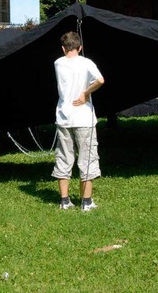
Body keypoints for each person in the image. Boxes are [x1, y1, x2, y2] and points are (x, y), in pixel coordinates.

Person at [52, 31, 105, 211]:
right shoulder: (86, 62)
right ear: (80, 47)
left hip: (64, 117)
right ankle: (86, 202)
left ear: (63, 48)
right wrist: (85, 93)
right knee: (87, 158)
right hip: (83, 117)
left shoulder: (58, 63)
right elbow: (100, 80)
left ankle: (64, 201)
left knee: (64, 158)